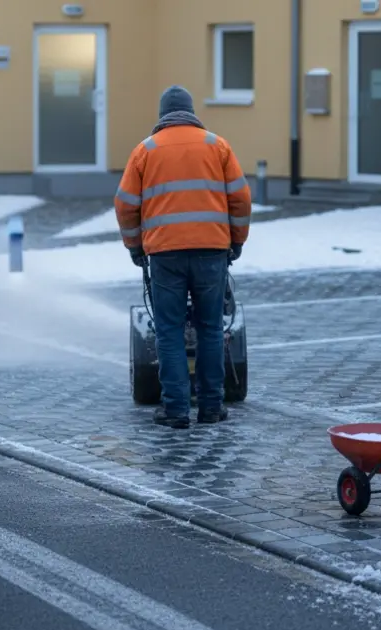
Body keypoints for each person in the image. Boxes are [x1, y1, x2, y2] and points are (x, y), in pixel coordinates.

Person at [115, 85, 252, 429]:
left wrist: (135, 246)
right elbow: (240, 199)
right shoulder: (217, 146)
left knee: (169, 331)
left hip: (165, 255)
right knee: (210, 328)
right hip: (211, 253)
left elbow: (125, 204)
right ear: (191, 112)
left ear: (163, 115)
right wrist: (236, 241)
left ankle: (175, 409)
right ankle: (211, 407)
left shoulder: (146, 150)